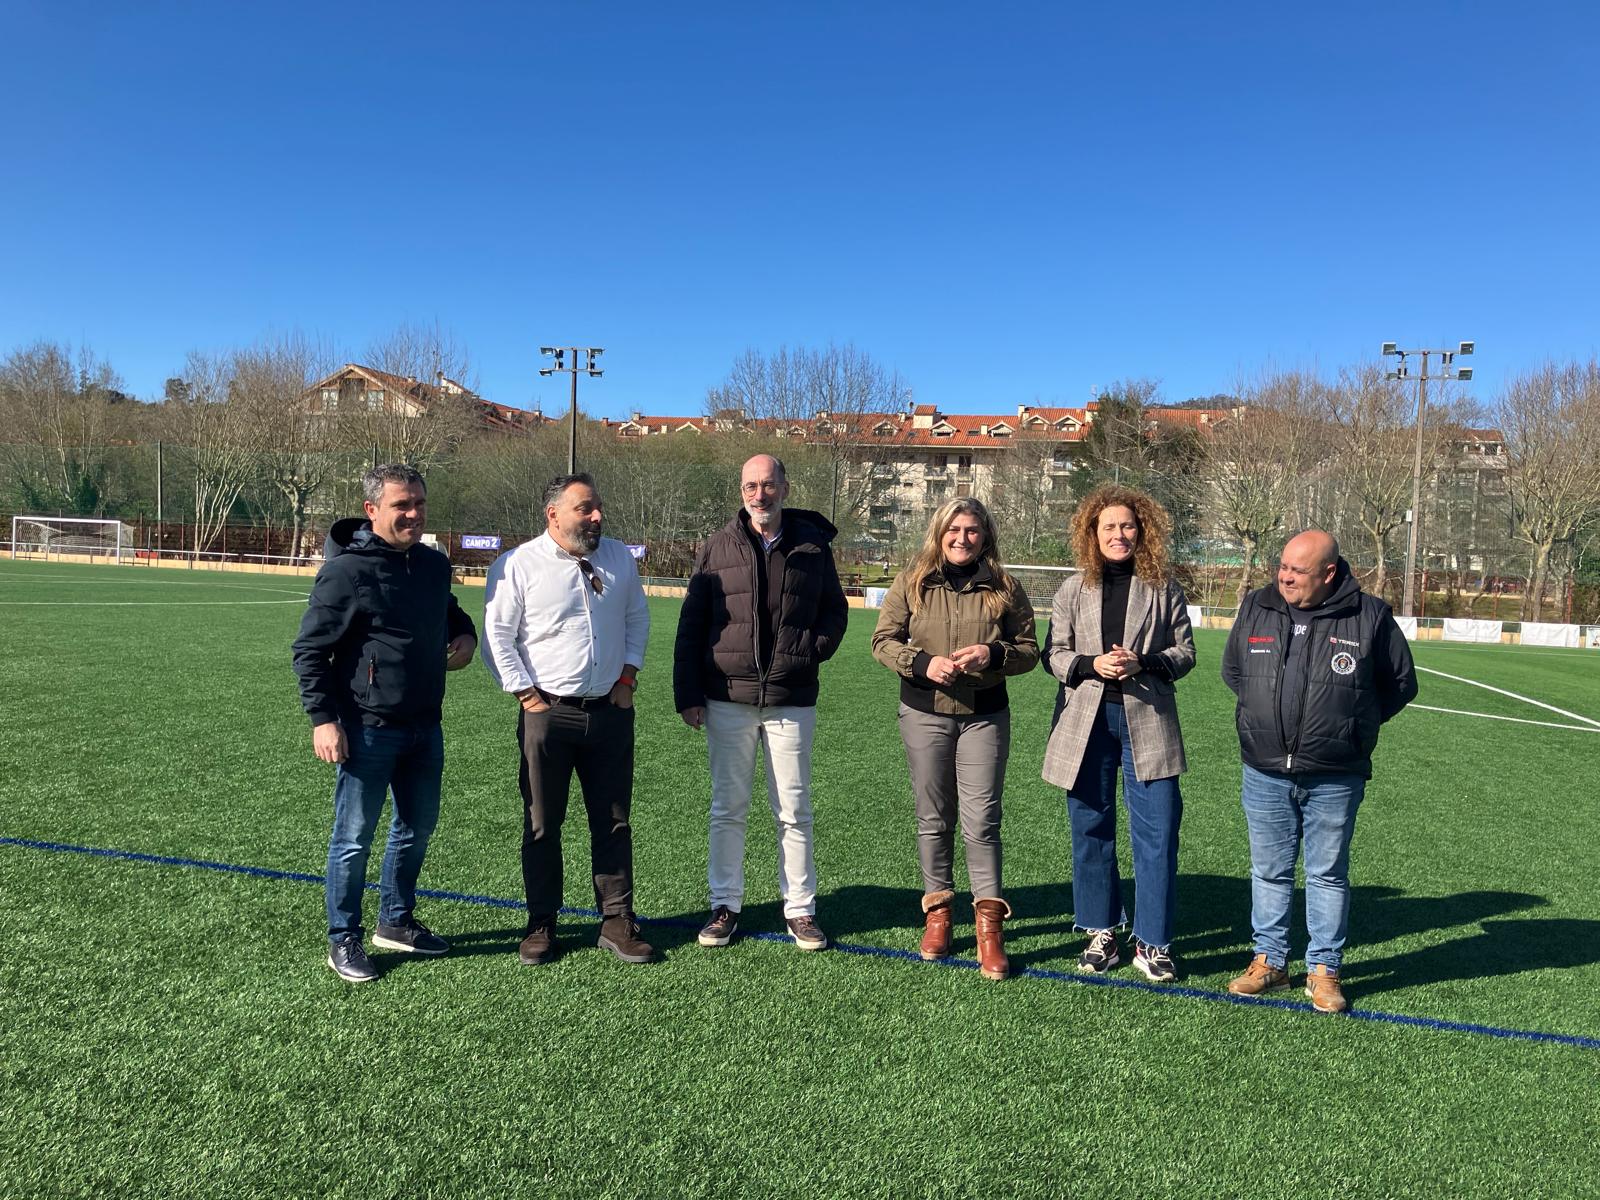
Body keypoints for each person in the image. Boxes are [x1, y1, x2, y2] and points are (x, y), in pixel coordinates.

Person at [292, 464, 478, 984]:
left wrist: (466, 637)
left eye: (419, 503)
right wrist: (323, 719)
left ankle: (395, 921)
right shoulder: (346, 572)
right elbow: (309, 651)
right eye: (402, 505)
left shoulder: (433, 565)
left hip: (425, 724)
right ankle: (342, 937)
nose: (414, 514)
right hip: (367, 726)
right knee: (354, 837)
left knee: (415, 830)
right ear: (372, 510)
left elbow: (451, 612)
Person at [1222, 529, 1417, 1013]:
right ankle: (1269, 961)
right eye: (1282, 566)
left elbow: (1400, 684)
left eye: (1298, 570)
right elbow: (1234, 671)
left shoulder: (1369, 616)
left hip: (1335, 774)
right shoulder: (1257, 606)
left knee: (1327, 873)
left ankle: (1324, 970)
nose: (1285, 577)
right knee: (1269, 870)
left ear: (1329, 573)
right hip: (1264, 768)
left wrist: (1352, 726)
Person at [673, 454, 849, 951]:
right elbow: (691, 625)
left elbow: (835, 612)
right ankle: (725, 905)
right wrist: (687, 694)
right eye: (751, 485)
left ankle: (800, 910)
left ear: (785, 488)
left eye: (768, 485)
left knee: (794, 808)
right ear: (741, 491)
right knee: (728, 807)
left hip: (791, 698)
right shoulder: (716, 547)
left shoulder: (813, 546)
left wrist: (810, 652)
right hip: (727, 697)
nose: (759, 494)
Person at [481, 473, 654, 966]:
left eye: (598, 506)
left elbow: (636, 618)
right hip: (548, 716)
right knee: (541, 822)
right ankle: (541, 922)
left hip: (611, 712)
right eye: (585, 508)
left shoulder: (619, 556)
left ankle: (617, 921)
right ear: (553, 514)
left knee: (615, 821)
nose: (597, 516)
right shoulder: (517, 564)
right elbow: (498, 635)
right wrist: (524, 693)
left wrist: (627, 678)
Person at [870, 497, 1039, 980]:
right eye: (954, 529)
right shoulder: (911, 580)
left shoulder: (1006, 586)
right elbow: (883, 641)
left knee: (982, 820)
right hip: (924, 713)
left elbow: (1029, 650)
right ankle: (939, 912)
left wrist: (993, 653)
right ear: (939, 531)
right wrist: (923, 664)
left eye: (972, 531)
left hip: (985, 715)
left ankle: (989, 928)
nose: (962, 539)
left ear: (986, 536)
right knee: (933, 817)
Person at [1041, 484, 1196, 982]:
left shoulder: (1165, 587)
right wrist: (1092, 664)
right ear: (1093, 533)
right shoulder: (1071, 589)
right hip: (1085, 722)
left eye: (1127, 526)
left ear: (1141, 531)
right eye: (1108, 526)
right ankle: (1102, 930)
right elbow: (1054, 655)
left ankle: (1153, 941)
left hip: (1148, 720)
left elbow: (1184, 653)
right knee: (1091, 828)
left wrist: (1142, 662)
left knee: (1157, 832)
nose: (1118, 534)